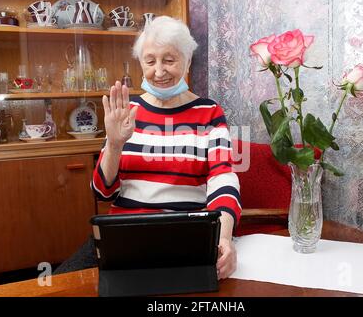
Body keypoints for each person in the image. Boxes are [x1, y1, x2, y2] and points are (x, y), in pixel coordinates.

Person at [57, 16, 241, 280]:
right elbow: (102, 191)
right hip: (123, 235)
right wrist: (115, 145)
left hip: (186, 234)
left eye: (169, 60)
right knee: (62, 284)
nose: (158, 71)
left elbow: (223, 180)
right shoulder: (127, 112)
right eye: (150, 60)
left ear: (187, 60)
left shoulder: (209, 113)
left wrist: (224, 238)